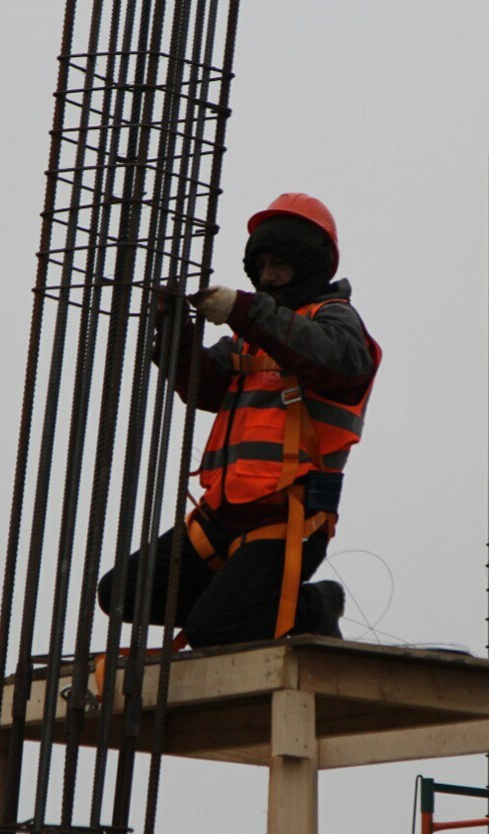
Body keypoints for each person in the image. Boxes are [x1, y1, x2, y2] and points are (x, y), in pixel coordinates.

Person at [97, 193, 380, 648]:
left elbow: (339, 363)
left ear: (310, 264)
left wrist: (244, 310)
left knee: (215, 633)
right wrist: (176, 335)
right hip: (223, 515)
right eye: (261, 265)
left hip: (289, 517)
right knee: (121, 593)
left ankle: (310, 608)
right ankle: (258, 606)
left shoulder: (335, 319)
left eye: (280, 263)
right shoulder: (251, 338)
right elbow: (205, 386)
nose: (268, 276)